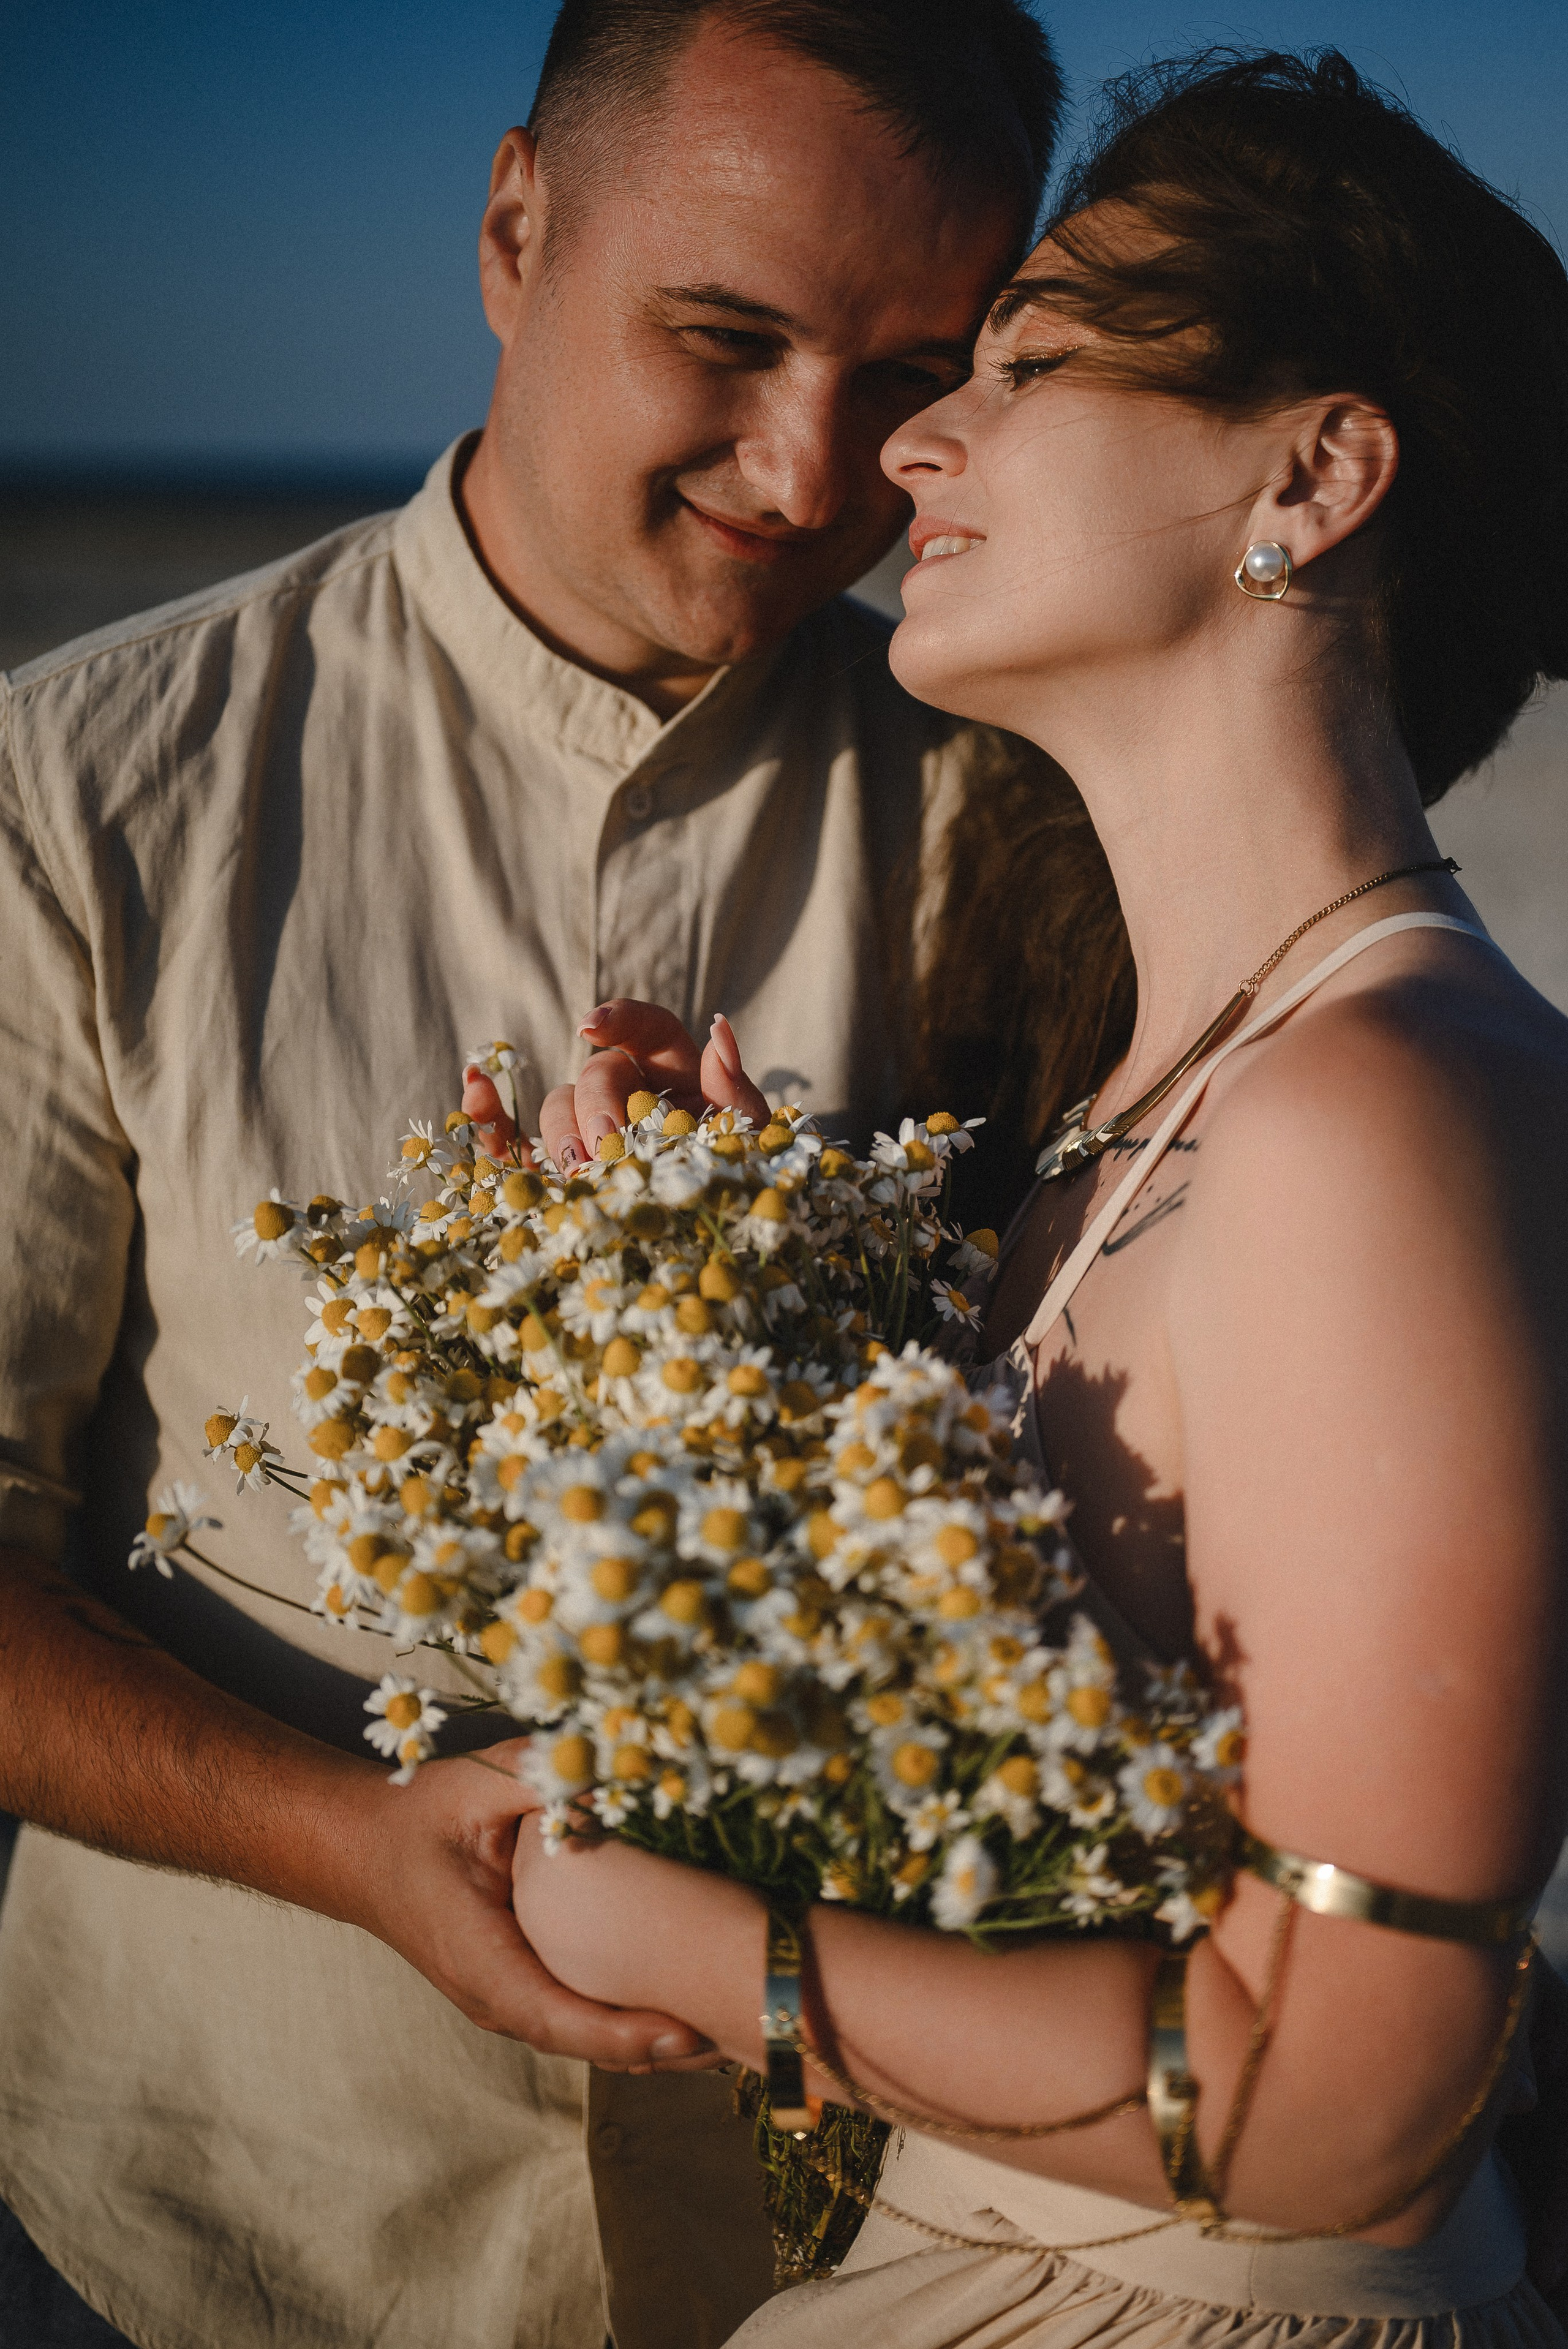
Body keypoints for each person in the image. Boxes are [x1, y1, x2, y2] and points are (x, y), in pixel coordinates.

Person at [0, 6, 1118, 2347]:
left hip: (867, 2251)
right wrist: (350, 1842)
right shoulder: (85, 792)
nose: (814, 468)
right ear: (516, 229)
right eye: (727, 335)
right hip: (224, 2218)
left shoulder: (1033, 804)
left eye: (909, 367)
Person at [503, 49, 1568, 2348]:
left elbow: (1343, 2098)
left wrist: (686, 1945)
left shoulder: (1366, 1111)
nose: (905, 445)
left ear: (1317, 470)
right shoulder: (1168, 1101)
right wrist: (734, 1322)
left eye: (1028, 362)